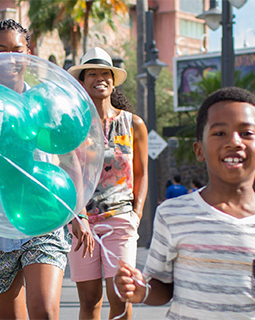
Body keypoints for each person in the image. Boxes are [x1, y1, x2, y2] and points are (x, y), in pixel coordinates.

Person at [114, 87, 255, 319]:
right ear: (199, 149)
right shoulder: (172, 215)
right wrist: (142, 291)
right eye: (220, 133)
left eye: (246, 133)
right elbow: (162, 287)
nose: (234, 142)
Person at [0, 19, 71, 320]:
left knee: (45, 313)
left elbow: (70, 161)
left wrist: (76, 212)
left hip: (43, 219)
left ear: (30, 52)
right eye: (1, 50)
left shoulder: (47, 105)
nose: (11, 58)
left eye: (18, 50)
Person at [67, 47, 148, 320]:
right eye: (92, 74)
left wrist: (136, 215)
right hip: (81, 221)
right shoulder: (73, 125)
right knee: (90, 301)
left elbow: (142, 173)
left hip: (121, 218)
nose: (99, 78)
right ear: (82, 80)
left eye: (105, 73)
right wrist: (77, 217)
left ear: (113, 81)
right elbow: (67, 173)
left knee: (121, 298)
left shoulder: (133, 123)